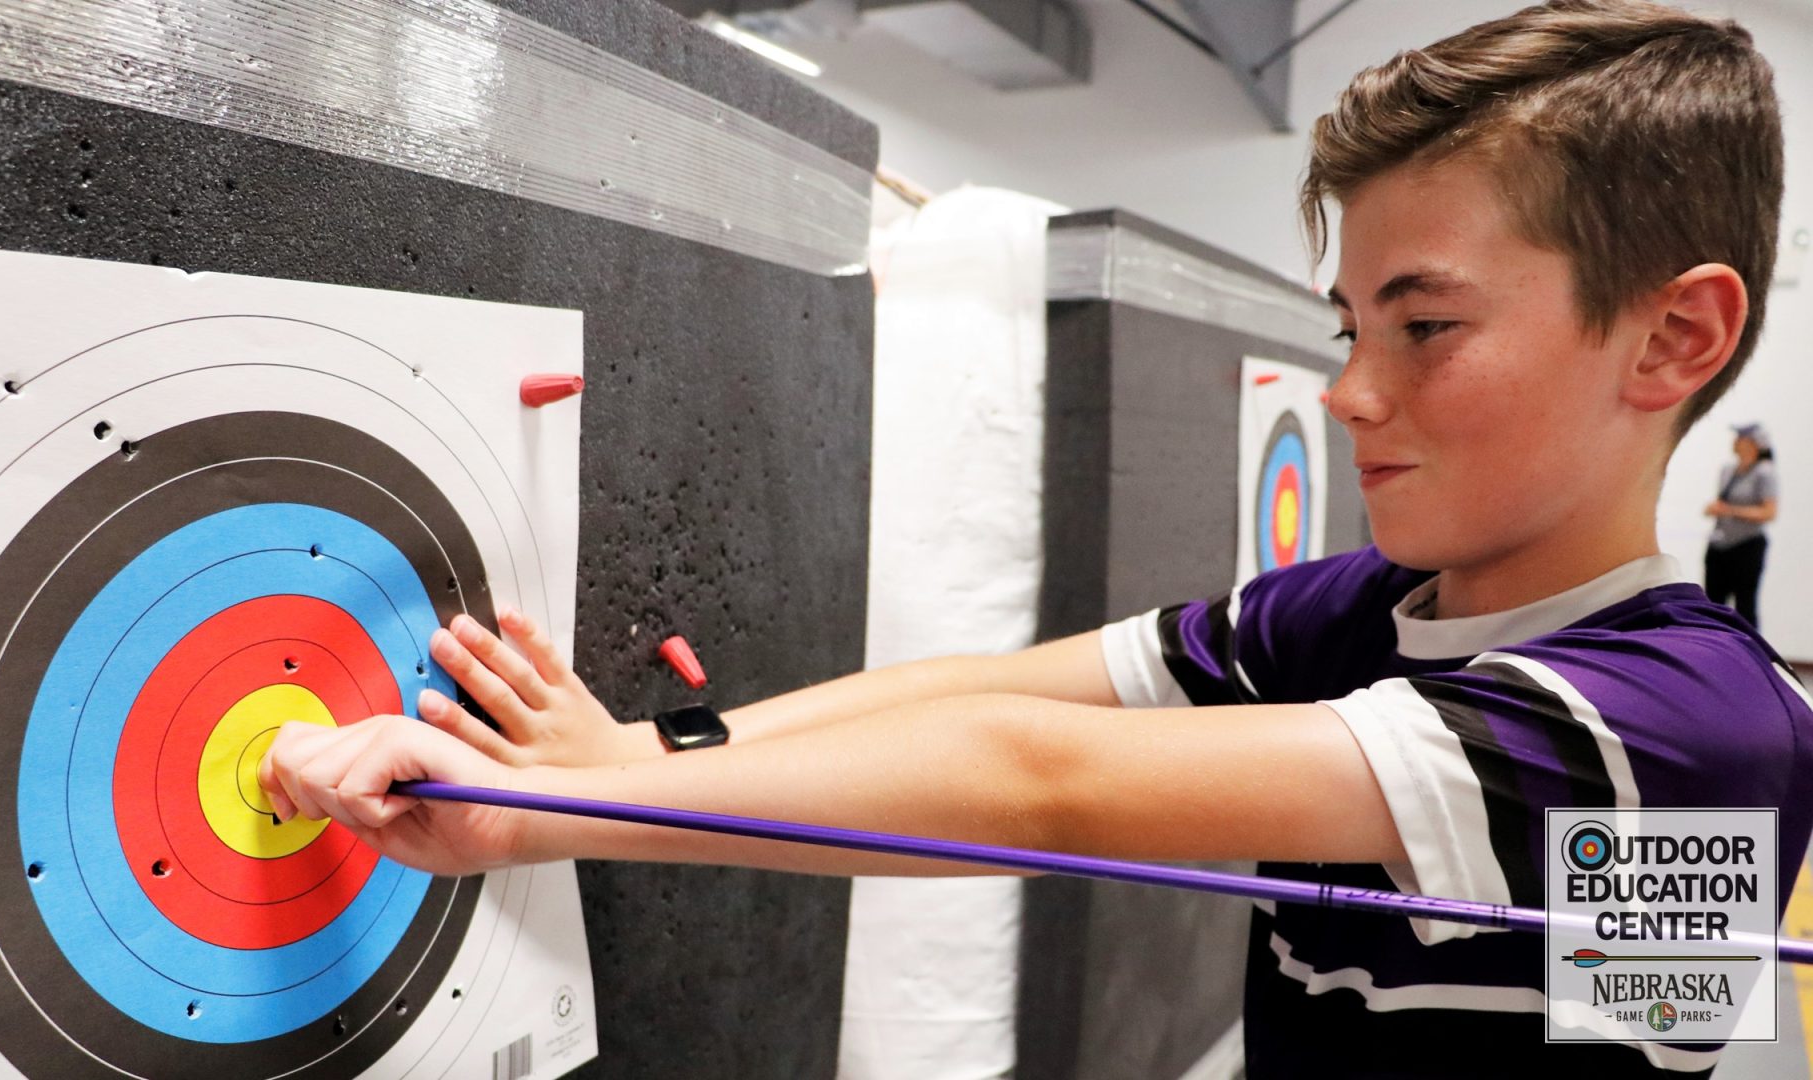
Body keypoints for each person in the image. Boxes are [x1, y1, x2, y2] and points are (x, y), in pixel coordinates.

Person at [263, 2, 1813, 1075]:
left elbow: (1036, 777)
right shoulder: (1385, 607)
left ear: (1674, 338)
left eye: (1426, 328)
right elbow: (1005, 690)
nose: (1352, 393)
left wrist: (547, 818)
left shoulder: (1681, 729)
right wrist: (653, 755)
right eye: (1353, 327)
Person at [1704, 422, 1779, 626]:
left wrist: (1730, 511)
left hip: (1747, 545)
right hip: (1720, 544)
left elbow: (1769, 512)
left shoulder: (1764, 472)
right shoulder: (1728, 470)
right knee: (1712, 603)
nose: (1735, 442)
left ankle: (1749, 653)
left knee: (1745, 604)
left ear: (1755, 444)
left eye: (1741, 438)